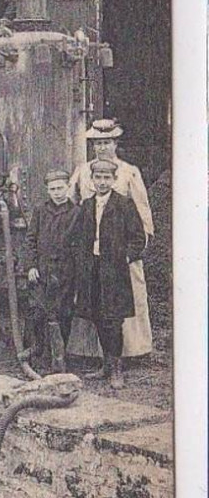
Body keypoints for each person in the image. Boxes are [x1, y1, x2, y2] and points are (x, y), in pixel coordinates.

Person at [69, 118, 153, 357]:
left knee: (123, 300)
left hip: (120, 252)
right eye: (97, 143)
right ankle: (93, 354)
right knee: (93, 299)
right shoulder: (83, 172)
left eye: (106, 142)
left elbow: (142, 211)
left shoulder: (128, 173)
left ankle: (129, 352)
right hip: (93, 251)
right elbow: (73, 208)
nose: (102, 148)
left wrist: (134, 252)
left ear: (115, 143)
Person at [67, 159, 146, 389]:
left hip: (114, 271)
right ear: (92, 181)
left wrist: (126, 257)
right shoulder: (87, 205)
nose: (102, 182)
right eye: (98, 178)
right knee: (97, 316)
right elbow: (76, 236)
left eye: (106, 178)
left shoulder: (124, 204)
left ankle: (117, 369)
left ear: (113, 180)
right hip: (91, 270)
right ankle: (105, 365)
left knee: (113, 319)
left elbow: (138, 238)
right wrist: (80, 258)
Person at [24, 169, 80, 373]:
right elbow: (30, 240)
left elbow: (80, 246)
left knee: (63, 314)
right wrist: (31, 265)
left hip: (65, 272)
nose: (57, 193)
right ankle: (38, 350)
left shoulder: (76, 213)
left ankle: (58, 358)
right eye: (53, 189)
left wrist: (75, 274)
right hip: (42, 271)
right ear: (47, 191)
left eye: (60, 188)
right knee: (39, 312)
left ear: (68, 188)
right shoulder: (40, 210)